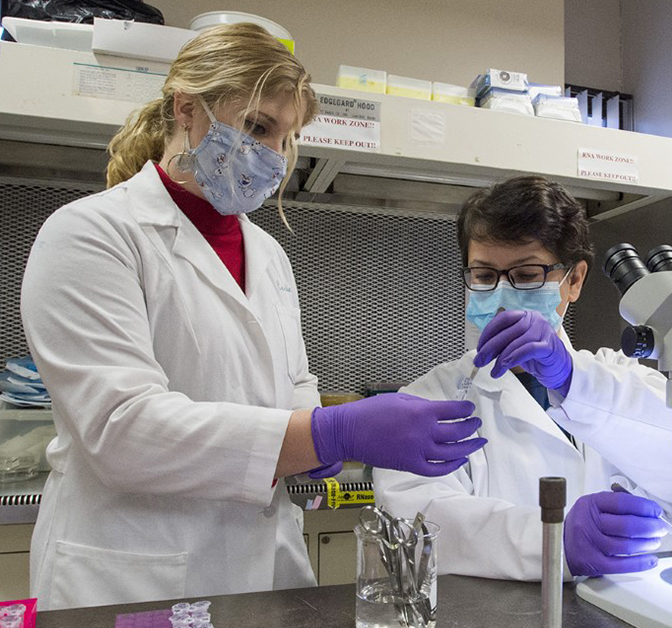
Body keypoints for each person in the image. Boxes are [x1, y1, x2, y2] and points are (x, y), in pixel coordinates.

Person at [20, 24, 484, 610]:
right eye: (258, 128)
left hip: (264, 571)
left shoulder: (268, 255)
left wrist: (320, 440)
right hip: (134, 574)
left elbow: (293, 388)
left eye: (286, 139)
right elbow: (123, 432)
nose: (273, 158)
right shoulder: (89, 234)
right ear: (186, 109)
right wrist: (329, 431)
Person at [374, 176, 672, 580]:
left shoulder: (616, 376)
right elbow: (417, 522)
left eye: (527, 274)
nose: (500, 295)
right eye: (483, 276)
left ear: (575, 280)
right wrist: (553, 540)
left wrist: (573, 383)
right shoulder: (430, 400)